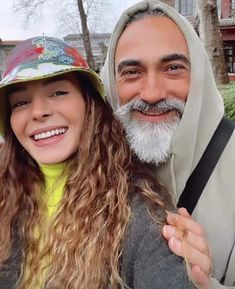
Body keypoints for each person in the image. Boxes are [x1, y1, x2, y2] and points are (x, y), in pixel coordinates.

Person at [0, 36, 199, 289]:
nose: (38, 112)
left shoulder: (139, 209)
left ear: (89, 103)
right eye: (21, 102)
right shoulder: (5, 193)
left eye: (58, 92)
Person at [101, 1, 235, 288]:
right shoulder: (92, 166)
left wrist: (204, 284)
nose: (151, 93)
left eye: (173, 68)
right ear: (112, 82)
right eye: (132, 72)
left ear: (199, 74)